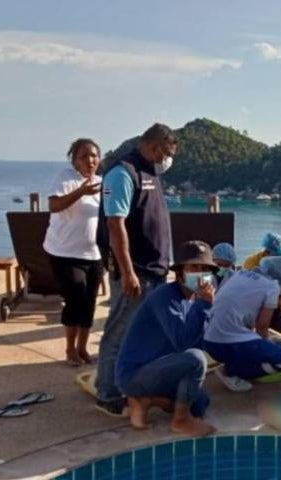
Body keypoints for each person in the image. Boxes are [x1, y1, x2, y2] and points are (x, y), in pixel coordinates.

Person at [94, 123, 179, 417]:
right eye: (166, 153)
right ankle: (107, 393)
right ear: (154, 146)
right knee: (119, 331)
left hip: (155, 271)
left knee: (146, 333)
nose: (167, 160)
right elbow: (115, 224)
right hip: (137, 272)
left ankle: (136, 383)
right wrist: (128, 271)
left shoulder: (150, 173)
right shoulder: (123, 174)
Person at [115, 241, 218, 436]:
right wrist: (204, 306)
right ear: (180, 272)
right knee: (196, 360)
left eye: (204, 269)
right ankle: (180, 421)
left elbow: (196, 341)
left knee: (200, 403)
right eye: (193, 268)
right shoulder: (165, 297)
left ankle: (146, 401)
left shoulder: (192, 299)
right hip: (135, 374)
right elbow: (183, 342)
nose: (200, 273)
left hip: (160, 368)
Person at [43, 138, 104, 367]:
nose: (90, 160)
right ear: (74, 160)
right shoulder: (65, 178)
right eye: (84, 156)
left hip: (94, 253)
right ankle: (70, 349)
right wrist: (81, 192)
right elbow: (54, 206)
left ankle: (82, 348)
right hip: (64, 252)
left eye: (94, 155)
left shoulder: (102, 182)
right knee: (75, 297)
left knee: (89, 302)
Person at [204, 256, 281, 392]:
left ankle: (233, 365)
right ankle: (231, 371)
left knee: (266, 348)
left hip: (209, 342)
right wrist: (267, 346)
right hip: (228, 344)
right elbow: (262, 327)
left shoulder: (240, 274)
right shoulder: (272, 286)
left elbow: (244, 318)